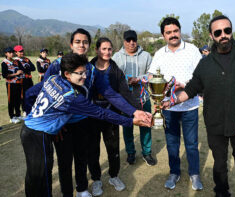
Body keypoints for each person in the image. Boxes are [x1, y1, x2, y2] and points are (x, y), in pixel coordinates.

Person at [20, 53, 151, 197]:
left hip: (28, 130)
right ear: (67, 74)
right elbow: (101, 113)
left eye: (85, 72)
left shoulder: (53, 78)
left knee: (33, 174)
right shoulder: (71, 97)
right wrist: (130, 121)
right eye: (80, 73)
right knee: (42, 176)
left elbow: (30, 93)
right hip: (39, 135)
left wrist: (37, 117)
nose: (84, 76)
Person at [163, 15, 235, 196]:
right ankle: (221, 192)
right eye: (218, 32)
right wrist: (171, 101)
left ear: (231, 31)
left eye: (227, 30)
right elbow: (191, 89)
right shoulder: (205, 64)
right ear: (212, 36)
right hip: (215, 124)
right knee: (219, 165)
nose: (223, 35)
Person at [148, 17, 203, 191]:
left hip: (189, 106)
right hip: (168, 107)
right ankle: (174, 172)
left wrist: (184, 85)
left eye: (175, 31)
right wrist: (157, 90)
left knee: (192, 143)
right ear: (163, 35)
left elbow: (201, 77)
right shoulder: (159, 54)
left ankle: (194, 174)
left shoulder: (192, 50)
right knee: (172, 143)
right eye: (168, 32)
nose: (173, 35)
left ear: (180, 31)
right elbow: (151, 76)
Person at [87, 37, 141, 195]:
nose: (106, 52)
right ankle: (96, 179)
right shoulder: (88, 68)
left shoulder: (116, 70)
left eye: (109, 49)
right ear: (97, 50)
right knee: (93, 149)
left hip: (111, 116)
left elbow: (124, 92)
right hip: (92, 117)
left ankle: (114, 175)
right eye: (103, 49)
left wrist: (137, 109)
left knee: (113, 148)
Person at [112, 30, 156, 166]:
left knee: (146, 125)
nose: (131, 43)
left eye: (134, 40)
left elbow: (152, 74)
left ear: (137, 40)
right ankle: (131, 152)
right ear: (124, 41)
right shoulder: (117, 57)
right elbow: (112, 75)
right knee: (127, 127)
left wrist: (140, 79)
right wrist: (125, 80)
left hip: (143, 98)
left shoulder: (146, 56)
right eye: (128, 40)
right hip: (125, 101)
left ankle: (147, 152)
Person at [1, 47, 23, 123]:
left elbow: (21, 69)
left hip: (18, 83)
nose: (11, 54)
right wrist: (15, 74)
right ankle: (12, 117)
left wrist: (21, 71)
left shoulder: (16, 61)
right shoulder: (4, 62)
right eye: (9, 52)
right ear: (6, 53)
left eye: (12, 52)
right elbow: (5, 75)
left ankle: (18, 114)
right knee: (11, 100)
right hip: (10, 84)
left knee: (18, 99)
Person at [14, 45, 36, 117]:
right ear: (16, 52)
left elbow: (33, 68)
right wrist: (27, 68)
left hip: (29, 79)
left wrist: (26, 68)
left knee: (32, 94)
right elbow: (20, 69)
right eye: (20, 51)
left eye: (22, 51)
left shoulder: (26, 59)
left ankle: (31, 108)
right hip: (22, 80)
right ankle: (24, 110)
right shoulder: (15, 61)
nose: (22, 53)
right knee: (23, 95)